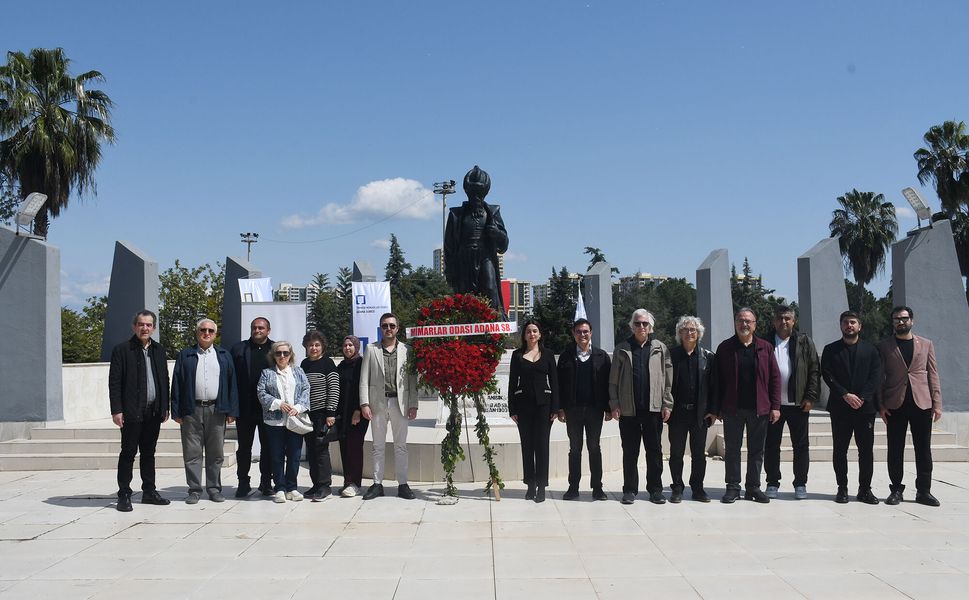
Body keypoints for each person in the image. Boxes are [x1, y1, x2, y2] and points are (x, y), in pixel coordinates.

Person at [714, 307, 780, 504]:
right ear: (735, 324)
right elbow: (717, 380)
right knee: (732, 449)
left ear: (755, 325)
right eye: (741, 320)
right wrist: (717, 408)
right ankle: (733, 487)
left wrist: (775, 406)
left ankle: (753, 487)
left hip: (759, 408)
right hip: (732, 408)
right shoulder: (725, 347)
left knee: (756, 450)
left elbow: (775, 378)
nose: (744, 324)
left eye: (748, 321)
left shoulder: (765, 347)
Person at [878, 306, 943, 507]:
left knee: (923, 449)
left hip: (921, 404)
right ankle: (896, 489)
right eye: (897, 319)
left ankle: (924, 491)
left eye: (904, 318)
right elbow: (880, 378)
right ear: (892, 322)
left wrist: (937, 403)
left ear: (912, 321)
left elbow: (933, 373)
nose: (901, 322)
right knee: (895, 449)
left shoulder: (926, 344)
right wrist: (880, 405)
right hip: (895, 404)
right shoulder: (884, 346)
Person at [171, 319, 239, 504]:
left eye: (210, 330)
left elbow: (233, 384)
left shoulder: (224, 355)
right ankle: (194, 490)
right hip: (191, 409)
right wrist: (176, 411)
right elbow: (176, 382)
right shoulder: (186, 355)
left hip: (217, 409)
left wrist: (232, 410)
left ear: (215, 334)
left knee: (215, 453)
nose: (206, 333)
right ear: (197, 332)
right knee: (192, 452)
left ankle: (214, 489)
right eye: (203, 330)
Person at [108, 310, 171, 512]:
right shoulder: (122, 350)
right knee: (128, 453)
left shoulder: (159, 350)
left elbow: (164, 380)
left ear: (153, 328)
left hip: (153, 412)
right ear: (134, 327)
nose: (145, 328)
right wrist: (117, 410)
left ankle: (149, 492)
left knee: (149, 453)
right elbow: (114, 382)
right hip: (131, 412)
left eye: (149, 325)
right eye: (141, 324)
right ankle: (124, 494)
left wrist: (165, 407)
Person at [609, 309, 673, 505]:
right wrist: (614, 403)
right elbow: (613, 381)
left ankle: (655, 490)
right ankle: (629, 489)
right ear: (632, 326)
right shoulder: (622, 348)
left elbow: (668, 379)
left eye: (645, 323)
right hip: (629, 410)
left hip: (653, 410)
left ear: (650, 326)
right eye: (637, 323)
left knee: (654, 451)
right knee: (630, 451)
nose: (641, 327)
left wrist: (667, 403)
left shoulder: (660, 348)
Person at [820, 311, 882, 504]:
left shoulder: (871, 350)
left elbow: (876, 376)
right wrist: (845, 394)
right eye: (846, 322)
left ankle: (865, 489)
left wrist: (862, 397)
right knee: (840, 450)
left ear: (859, 326)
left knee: (866, 451)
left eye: (853, 322)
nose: (849, 325)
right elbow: (827, 374)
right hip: (840, 407)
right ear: (840, 326)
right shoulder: (831, 350)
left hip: (865, 408)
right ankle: (842, 488)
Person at [359, 313, 419, 500]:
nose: (388, 329)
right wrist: (364, 403)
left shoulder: (407, 350)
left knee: (401, 446)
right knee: (378, 446)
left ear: (397, 328)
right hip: (378, 403)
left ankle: (403, 484)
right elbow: (364, 379)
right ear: (381, 328)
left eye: (392, 325)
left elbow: (412, 380)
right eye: (385, 326)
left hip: (400, 403)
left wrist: (413, 404)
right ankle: (377, 484)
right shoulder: (371, 349)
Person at [763, 305, 820, 500]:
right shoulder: (765, 342)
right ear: (774, 321)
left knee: (801, 445)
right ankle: (772, 482)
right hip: (773, 406)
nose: (783, 321)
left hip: (798, 404)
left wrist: (811, 397)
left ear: (794, 321)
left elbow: (814, 369)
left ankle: (800, 483)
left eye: (787, 318)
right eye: (779, 318)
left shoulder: (804, 342)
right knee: (771, 445)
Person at [443, 165, 510, 318]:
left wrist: (496, 233)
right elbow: (449, 247)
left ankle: (495, 329)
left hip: (485, 257)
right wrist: (450, 271)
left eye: (479, 194)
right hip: (464, 260)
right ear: (468, 193)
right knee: (465, 298)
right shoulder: (456, 215)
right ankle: (467, 331)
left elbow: (504, 245)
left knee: (490, 289)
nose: (476, 198)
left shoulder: (492, 212)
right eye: (473, 194)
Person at [556, 318, 611, 501]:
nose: (582, 335)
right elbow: (559, 385)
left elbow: (608, 384)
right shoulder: (566, 356)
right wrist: (560, 408)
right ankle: (573, 487)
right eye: (578, 331)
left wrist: (609, 408)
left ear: (591, 333)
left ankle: (597, 488)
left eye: (585, 331)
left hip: (595, 410)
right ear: (573, 334)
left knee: (594, 448)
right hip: (573, 410)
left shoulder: (602, 356)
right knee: (575, 448)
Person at [666, 316, 717, 504]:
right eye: (685, 329)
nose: (689, 332)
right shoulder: (670, 355)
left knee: (698, 454)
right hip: (677, 413)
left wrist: (713, 410)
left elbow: (714, 387)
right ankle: (677, 488)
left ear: (699, 333)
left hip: (700, 414)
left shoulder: (708, 357)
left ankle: (698, 488)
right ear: (679, 333)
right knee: (676, 453)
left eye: (693, 330)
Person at [509, 320, 560, 503]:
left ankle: (541, 486)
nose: (532, 334)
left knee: (542, 446)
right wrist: (512, 409)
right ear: (524, 335)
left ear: (540, 335)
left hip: (543, 406)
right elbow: (512, 383)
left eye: (535, 331)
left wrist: (555, 407)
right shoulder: (517, 356)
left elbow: (554, 382)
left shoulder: (548, 355)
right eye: (528, 331)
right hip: (523, 406)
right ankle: (530, 484)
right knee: (527, 445)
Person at [257, 340, 310, 503]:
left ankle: (292, 487)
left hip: (295, 420)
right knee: (276, 455)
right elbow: (261, 392)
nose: (282, 356)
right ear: (273, 355)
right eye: (278, 353)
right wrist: (279, 404)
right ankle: (279, 487)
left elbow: (306, 389)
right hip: (275, 422)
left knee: (294, 455)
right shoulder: (267, 373)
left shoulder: (298, 371)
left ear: (290, 355)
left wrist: (299, 407)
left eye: (285, 353)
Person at [229, 317, 275, 498]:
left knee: (268, 447)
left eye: (261, 328)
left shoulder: (276, 349)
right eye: (254, 327)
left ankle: (266, 483)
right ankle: (243, 482)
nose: (257, 330)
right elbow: (230, 379)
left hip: (268, 409)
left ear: (268, 330)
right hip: (244, 408)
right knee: (244, 448)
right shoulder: (239, 349)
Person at [301, 331, 340, 500]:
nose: (313, 348)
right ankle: (315, 484)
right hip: (307, 415)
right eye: (310, 345)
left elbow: (334, 389)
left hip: (322, 414)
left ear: (322, 346)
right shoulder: (304, 364)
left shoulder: (328, 363)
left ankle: (325, 486)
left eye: (317, 345)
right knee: (311, 451)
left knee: (321, 450)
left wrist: (330, 413)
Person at [337, 335, 367, 497]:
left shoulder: (362, 364)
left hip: (357, 413)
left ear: (356, 346)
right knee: (344, 447)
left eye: (350, 345)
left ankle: (355, 483)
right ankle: (347, 482)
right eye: (345, 345)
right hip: (343, 413)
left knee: (354, 447)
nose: (348, 348)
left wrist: (358, 409)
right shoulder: (341, 366)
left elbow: (364, 387)